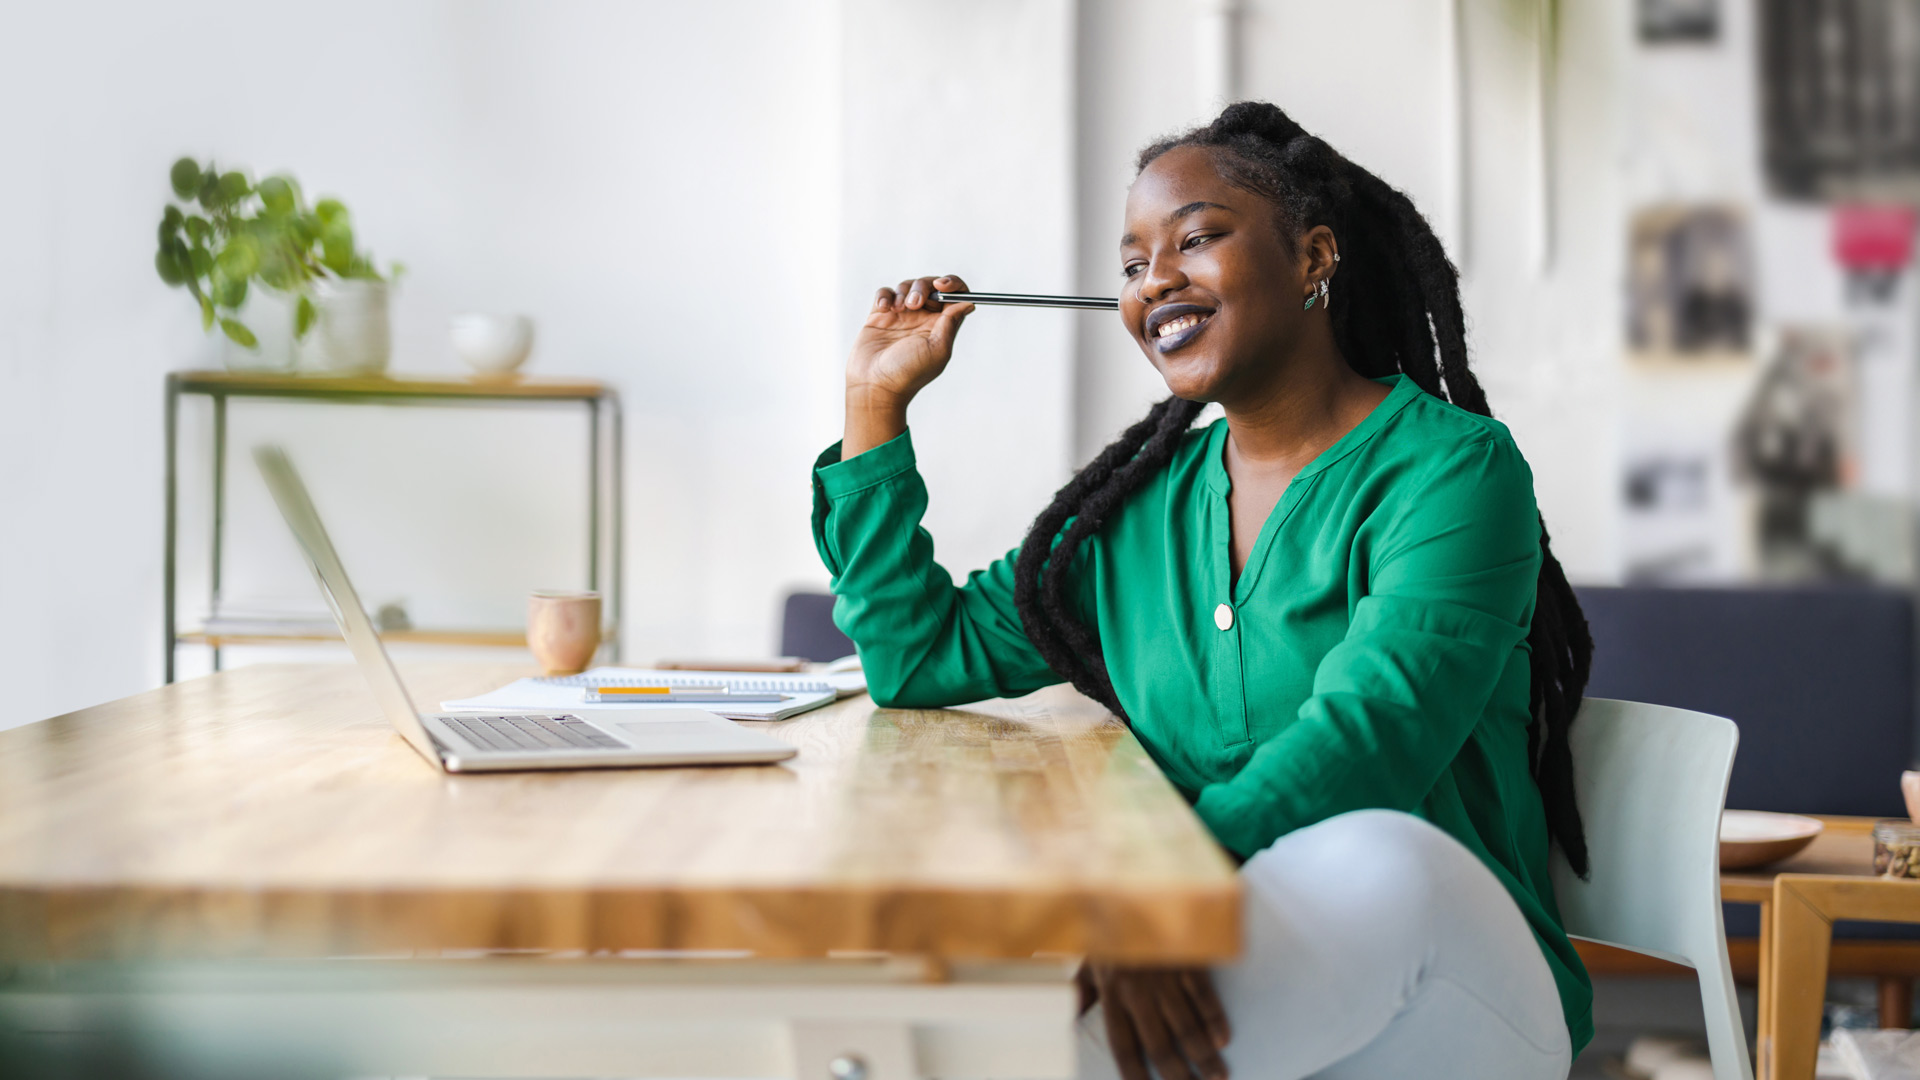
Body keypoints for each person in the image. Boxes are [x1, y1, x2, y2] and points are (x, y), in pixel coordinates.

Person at [810, 101, 1594, 1080]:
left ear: (1313, 259)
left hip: (1455, 990)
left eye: (1195, 240)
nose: (1156, 282)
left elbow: (1371, 737)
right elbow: (917, 656)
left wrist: (1156, 891)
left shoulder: (1453, 474)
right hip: (1222, 968)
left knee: (1383, 860)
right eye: (1134, 264)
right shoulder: (1130, 513)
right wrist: (873, 405)